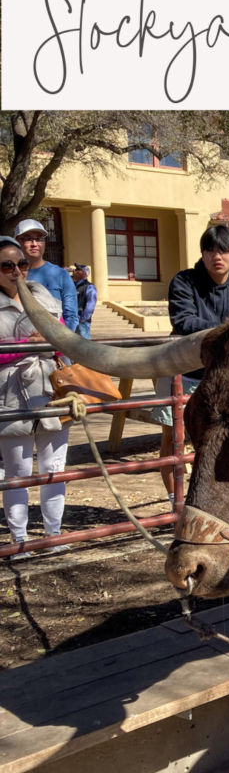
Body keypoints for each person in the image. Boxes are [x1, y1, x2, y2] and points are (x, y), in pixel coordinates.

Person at [152, 224, 229, 503]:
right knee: (174, 440)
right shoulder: (184, 281)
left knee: (226, 442)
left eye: (225, 250)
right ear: (202, 254)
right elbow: (183, 322)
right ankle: (175, 502)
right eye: (210, 250)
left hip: (227, 379)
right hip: (184, 374)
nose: (218, 256)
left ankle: (218, 502)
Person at [0, 237, 69, 558]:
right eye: (7, 266)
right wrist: (25, 345)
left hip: (49, 393)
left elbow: (65, 339)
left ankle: (53, 535)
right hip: (10, 396)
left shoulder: (44, 297)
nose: (16, 271)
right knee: (18, 473)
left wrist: (53, 338)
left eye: (22, 264)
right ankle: (20, 542)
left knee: (54, 468)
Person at [14, 219, 79, 332]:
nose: (34, 244)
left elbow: (71, 315)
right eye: (28, 239)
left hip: (52, 344)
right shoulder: (8, 274)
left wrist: (59, 343)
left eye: (39, 239)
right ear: (17, 242)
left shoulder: (61, 274)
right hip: (16, 345)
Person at [71, 264, 97, 339]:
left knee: (84, 346)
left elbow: (90, 306)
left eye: (78, 269)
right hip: (70, 321)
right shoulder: (72, 285)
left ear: (84, 273)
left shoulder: (89, 287)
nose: (75, 271)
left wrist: (82, 320)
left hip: (82, 323)